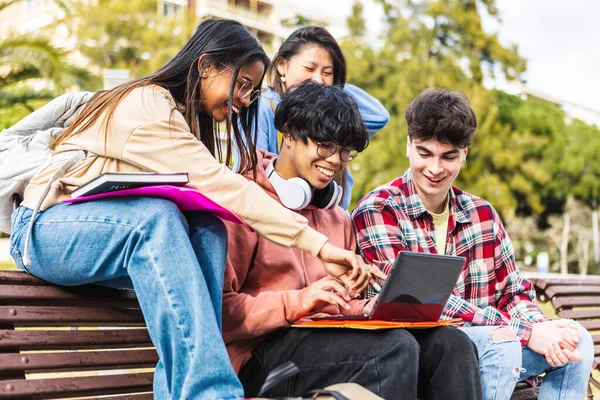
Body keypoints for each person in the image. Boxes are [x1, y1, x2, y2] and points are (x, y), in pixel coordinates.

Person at [8, 19, 374, 400]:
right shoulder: (147, 104)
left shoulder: (188, 124)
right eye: (243, 85)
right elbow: (225, 186)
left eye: (253, 90)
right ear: (206, 67)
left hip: (102, 237)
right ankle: (211, 394)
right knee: (156, 220)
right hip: (43, 229)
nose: (247, 100)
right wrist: (318, 245)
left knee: (208, 227)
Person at [222, 83, 483, 399]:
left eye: (345, 150)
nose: (335, 160)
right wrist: (299, 301)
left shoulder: (337, 218)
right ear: (288, 134)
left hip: (325, 341)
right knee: (392, 350)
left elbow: (339, 304)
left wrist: (367, 307)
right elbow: (222, 312)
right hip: (258, 359)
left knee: (452, 345)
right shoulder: (242, 202)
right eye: (324, 145)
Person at [351, 88, 594, 400]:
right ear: (408, 146)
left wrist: (544, 330)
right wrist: (527, 333)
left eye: (449, 156)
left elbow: (513, 293)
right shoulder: (379, 209)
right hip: (422, 352)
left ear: (464, 154)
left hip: (491, 342)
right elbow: (421, 301)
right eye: (425, 153)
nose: (435, 169)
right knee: (502, 343)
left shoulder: (483, 215)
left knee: (577, 340)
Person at [245, 25, 389, 210]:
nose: (318, 79)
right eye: (309, 68)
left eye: (327, 73)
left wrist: (330, 93)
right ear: (282, 65)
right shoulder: (263, 106)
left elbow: (379, 116)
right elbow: (252, 175)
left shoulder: (331, 116)